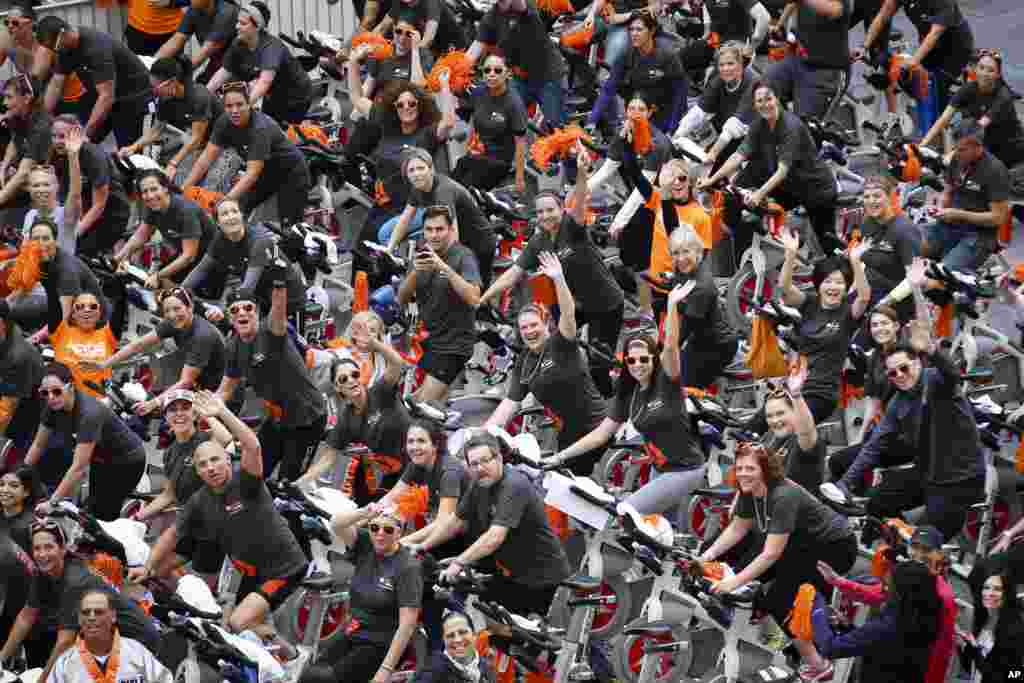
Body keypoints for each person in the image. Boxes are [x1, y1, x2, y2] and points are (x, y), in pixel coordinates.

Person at [130, 391, 308, 667]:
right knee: (237, 625)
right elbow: (173, 532)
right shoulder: (199, 500)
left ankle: (292, 662)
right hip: (249, 571)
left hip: (283, 568)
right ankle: (281, 658)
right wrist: (149, 565)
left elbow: (253, 446)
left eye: (215, 461)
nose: (210, 467)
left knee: (237, 622)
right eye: (203, 465)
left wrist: (222, 412)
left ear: (227, 460)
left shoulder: (246, 483)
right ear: (198, 471)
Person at [699, 444, 857, 683]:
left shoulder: (783, 495)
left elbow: (771, 554)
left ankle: (819, 665)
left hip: (835, 546)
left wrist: (734, 582)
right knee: (746, 575)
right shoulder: (748, 489)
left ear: (765, 469)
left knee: (778, 598)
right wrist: (705, 557)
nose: (742, 473)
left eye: (750, 468)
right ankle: (771, 630)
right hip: (800, 541)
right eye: (739, 467)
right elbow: (737, 528)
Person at [555, 283, 707, 528]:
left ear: (653, 360)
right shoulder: (629, 393)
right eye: (631, 360)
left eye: (644, 359)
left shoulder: (667, 382)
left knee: (623, 515)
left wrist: (671, 305)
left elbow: (670, 346)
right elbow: (600, 434)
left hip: (685, 470)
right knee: (661, 532)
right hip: (662, 469)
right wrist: (559, 457)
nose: (637, 365)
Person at [480, 146, 625, 396]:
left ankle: (609, 406)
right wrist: (483, 298)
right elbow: (513, 273)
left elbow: (580, 200)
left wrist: (581, 172)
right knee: (549, 341)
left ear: (561, 210)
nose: (545, 215)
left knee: (599, 363)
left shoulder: (573, 227)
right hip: (574, 305)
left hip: (606, 304)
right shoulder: (539, 241)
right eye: (540, 212)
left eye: (550, 210)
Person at [832, 312, 986, 542]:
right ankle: (901, 540)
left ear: (917, 362)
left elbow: (952, 374)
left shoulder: (935, 380)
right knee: (878, 501)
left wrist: (932, 351)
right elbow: (874, 446)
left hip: (960, 479)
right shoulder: (898, 402)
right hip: (927, 473)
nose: (900, 376)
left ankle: (916, 548)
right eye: (892, 373)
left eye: (904, 368)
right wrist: (845, 484)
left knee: (926, 540)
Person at [420, 430, 572, 618]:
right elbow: (454, 523)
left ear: (499, 458)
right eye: (474, 464)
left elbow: (494, 537)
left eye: (486, 460)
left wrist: (459, 562)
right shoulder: (479, 484)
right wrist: (422, 547)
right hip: (512, 572)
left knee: (504, 632)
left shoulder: (514, 485)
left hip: (540, 579)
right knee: (482, 619)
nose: (480, 468)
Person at [484, 249, 608, 477]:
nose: (529, 331)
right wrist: (484, 434)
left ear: (545, 326)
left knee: (570, 489)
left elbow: (568, 314)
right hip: (567, 433)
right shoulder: (524, 360)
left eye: (534, 325)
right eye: (524, 328)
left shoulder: (561, 344)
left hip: (595, 426)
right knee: (559, 490)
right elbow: (510, 404)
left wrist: (558, 278)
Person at [697, 81, 845, 260]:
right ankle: (781, 257)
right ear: (754, 104)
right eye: (759, 101)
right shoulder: (759, 124)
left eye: (768, 99)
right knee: (749, 209)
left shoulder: (790, 127)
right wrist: (711, 180)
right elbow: (738, 156)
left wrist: (759, 194)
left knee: (828, 245)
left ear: (777, 99)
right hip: (789, 187)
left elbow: (782, 171)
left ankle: (848, 269)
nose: (764, 104)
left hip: (815, 189)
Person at [0, 521, 161, 675]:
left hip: (136, 639)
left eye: (49, 547)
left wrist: (44, 679)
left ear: (63, 549)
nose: (42, 554)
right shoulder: (44, 571)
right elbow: (26, 617)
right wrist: (1, 659)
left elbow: (65, 642)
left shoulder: (75, 581)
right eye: (37, 548)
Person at [216, 281, 327, 482]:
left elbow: (278, 311)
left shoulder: (271, 330)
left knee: (288, 484)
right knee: (253, 473)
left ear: (257, 311)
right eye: (235, 310)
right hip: (277, 418)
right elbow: (225, 389)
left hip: (307, 418)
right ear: (230, 317)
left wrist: (279, 285)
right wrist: (207, 408)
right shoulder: (233, 347)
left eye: (248, 307)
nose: (242, 313)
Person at [300, 505, 421, 683]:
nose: (380, 534)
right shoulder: (367, 544)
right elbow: (336, 524)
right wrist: (365, 513)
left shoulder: (407, 567)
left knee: (328, 679)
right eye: (374, 528)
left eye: (388, 530)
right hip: (353, 630)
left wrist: (385, 671)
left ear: (399, 533)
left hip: (380, 642)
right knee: (310, 675)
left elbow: (407, 627)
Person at [379, 420, 469, 647]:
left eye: (421, 441)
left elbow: (444, 522)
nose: (414, 447)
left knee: (439, 603)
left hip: (462, 543)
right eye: (410, 441)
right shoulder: (417, 463)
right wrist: (364, 519)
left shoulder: (449, 471)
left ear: (436, 444)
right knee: (426, 600)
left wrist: (402, 541)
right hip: (441, 535)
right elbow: (389, 499)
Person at [25, 363, 147, 521]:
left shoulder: (89, 413)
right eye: (44, 393)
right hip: (101, 458)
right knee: (89, 509)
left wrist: (52, 503)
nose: (51, 397)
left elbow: (78, 467)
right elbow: (38, 445)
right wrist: (19, 476)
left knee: (102, 515)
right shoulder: (52, 405)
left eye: (57, 391)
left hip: (127, 461)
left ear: (71, 386)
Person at [131, 390, 231, 581]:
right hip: (189, 522)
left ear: (194, 413)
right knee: (156, 573)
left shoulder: (206, 439)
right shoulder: (170, 453)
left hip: (213, 526)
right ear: (165, 416)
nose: (179, 413)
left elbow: (225, 439)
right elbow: (169, 495)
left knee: (204, 584)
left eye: (185, 408)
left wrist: (207, 413)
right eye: (173, 410)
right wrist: (137, 517)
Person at [773, 232, 870, 425]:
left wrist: (856, 262)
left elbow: (864, 297)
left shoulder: (848, 313)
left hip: (823, 393)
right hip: (796, 385)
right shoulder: (809, 303)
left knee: (791, 425)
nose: (833, 287)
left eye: (839, 282)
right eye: (827, 281)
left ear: (846, 287)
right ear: (818, 285)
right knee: (756, 426)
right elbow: (784, 287)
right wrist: (790, 254)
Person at [297, 338, 409, 504]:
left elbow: (397, 363)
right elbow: (327, 459)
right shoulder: (346, 418)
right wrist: (300, 483)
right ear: (337, 387)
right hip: (393, 471)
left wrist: (375, 344)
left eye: (354, 374)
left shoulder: (379, 391)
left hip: (416, 458)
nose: (351, 380)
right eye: (343, 379)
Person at [182, 84, 312, 227]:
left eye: (239, 105)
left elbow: (251, 174)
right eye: (229, 106)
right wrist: (184, 189)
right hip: (266, 172)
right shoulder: (224, 122)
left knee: (290, 229)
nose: (234, 111)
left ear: (249, 104)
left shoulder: (259, 129)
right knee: (239, 210)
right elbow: (205, 159)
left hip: (291, 173)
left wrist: (224, 202)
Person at [87, 287, 226, 412]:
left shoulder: (202, 336)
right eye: (167, 311)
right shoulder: (174, 322)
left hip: (218, 388)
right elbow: (138, 345)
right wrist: (103, 364)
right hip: (195, 374)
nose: (172, 315)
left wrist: (154, 403)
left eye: (177, 309)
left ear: (190, 307)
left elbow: (186, 382)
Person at [349, 81, 454, 245]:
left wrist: (446, 87)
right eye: (401, 104)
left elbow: (448, 123)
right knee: (362, 250)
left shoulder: (427, 134)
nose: (406, 107)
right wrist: (353, 60)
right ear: (394, 108)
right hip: (384, 203)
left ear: (420, 107)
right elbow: (356, 97)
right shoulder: (387, 128)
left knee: (382, 243)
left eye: (412, 103)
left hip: (413, 206)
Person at [396, 205, 482, 402]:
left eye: (439, 229)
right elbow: (401, 299)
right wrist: (415, 273)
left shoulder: (463, 256)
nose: (434, 235)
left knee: (420, 405)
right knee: (429, 407)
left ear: (451, 230)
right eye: (429, 230)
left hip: (454, 345)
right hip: (429, 342)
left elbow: (474, 298)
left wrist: (444, 267)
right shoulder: (421, 254)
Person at [811, 560, 943, 683]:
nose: (883, 591)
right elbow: (879, 645)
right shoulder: (923, 619)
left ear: (901, 594)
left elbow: (829, 648)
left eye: (888, 587)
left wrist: (817, 605)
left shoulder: (887, 626)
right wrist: (847, 626)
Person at [183, 198, 307, 323]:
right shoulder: (220, 240)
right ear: (217, 223)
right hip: (263, 301)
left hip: (289, 301)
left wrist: (221, 310)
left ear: (241, 216)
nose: (231, 217)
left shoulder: (259, 241)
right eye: (225, 214)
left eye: (234, 211)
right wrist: (180, 293)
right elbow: (201, 269)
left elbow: (247, 288)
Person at [34, 17, 153, 147]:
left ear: (63, 33)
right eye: (50, 48)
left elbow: (106, 97)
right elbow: (56, 83)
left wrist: (86, 134)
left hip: (132, 99)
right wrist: (43, 116)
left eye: (54, 46)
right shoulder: (64, 48)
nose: (55, 51)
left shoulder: (96, 49)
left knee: (128, 153)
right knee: (78, 141)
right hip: (103, 95)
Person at [384, 149, 496, 287]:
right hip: (461, 240)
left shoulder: (443, 192)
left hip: (478, 243)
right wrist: (389, 249)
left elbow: (452, 235)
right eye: (411, 170)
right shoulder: (418, 189)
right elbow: (405, 220)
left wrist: (442, 264)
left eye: (421, 168)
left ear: (431, 169)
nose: (416, 174)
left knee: (475, 298)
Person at [861, 0, 974, 122]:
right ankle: (920, 116)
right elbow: (882, 17)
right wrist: (864, 47)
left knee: (936, 91)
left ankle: (952, 121)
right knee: (914, 84)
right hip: (930, 46)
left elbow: (935, 33)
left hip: (956, 49)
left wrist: (914, 61)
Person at [923, 118, 1011, 273]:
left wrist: (959, 214)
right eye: (956, 148)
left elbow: (998, 218)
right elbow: (948, 190)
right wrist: (941, 208)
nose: (957, 153)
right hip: (950, 224)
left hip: (978, 236)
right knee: (912, 249)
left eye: (962, 149)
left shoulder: (995, 171)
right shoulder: (957, 159)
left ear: (978, 147)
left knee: (938, 278)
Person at [207, 1, 314, 127]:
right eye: (237, 22)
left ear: (257, 26)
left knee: (278, 135)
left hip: (296, 97)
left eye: (243, 23)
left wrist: (241, 108)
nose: (237, 26)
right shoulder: (239, 43)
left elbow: (264, 83)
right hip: (273, 94)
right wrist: (204, 95)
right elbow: (223, 73)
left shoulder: (271, 47)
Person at [465, 0, 568, 129]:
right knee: (500, 119)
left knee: (557, 130)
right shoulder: (491, 17)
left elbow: (521, 6)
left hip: (549, 77)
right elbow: (476, 47)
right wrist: (457, 69)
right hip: (520, 80)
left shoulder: (525, 7)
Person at [119, 56, 225, 181]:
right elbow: (156, 130)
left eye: (156, 88)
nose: (154, 92)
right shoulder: (165, 100)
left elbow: (196, 138)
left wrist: (174, 163)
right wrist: (133, 147)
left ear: (172, 82)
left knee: (180, 177)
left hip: (222, 142)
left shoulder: (198, 97)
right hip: (198, 142)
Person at [114, 170, 216, 288]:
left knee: (162, 282)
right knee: (155, 282)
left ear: (165, 188)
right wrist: (117, 259)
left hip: (210, 258)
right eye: (145, 192)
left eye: (154, 189)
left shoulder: (185, 211)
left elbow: (189, 256)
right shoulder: (152, 207)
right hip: (187, 255)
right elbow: (140, 236)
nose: (150, 196)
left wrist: (158, 276)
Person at [46, 589, 173, 683]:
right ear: (79, 619)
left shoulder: (137, 652)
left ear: (113, 616)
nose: (91, 617)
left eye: (99, 612)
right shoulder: (64, 664)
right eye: (86, 612)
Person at [589, 12, 686, 134]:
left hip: (663, 113)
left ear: (651, 31)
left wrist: (672, 129)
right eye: (631, 29)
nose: (634, 33)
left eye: (639, 29)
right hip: (636, 110)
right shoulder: (626, 54)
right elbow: (609, 88)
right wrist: (592, 120)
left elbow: (680, 95)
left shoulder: (668, 56)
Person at [49, 116, 132, 257]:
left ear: (78, 134)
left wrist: (72, 235)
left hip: (110, 215)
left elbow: (99, 206)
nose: (57, 142)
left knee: (76, 253)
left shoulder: (93, 156)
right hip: (83, 210)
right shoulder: (58, 154)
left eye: (63, 136)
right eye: (54, 136)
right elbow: (63, 196)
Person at [673, 43, 758, 174]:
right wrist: (678, 134)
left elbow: (734, 126)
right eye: (721, 65)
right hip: (725, 134)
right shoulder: (718, 79)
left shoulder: (753, 82)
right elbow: (699, 112)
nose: (725, 69)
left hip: (754, 138)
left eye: (730, 64)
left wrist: (713, 153)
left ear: (741, 64)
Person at [452, 53, 528, 193]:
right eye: (487, 70)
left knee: (464, 189)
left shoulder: (514, 103)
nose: (491, 74)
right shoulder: (478, 92)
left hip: (499, 161)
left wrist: (519, 178)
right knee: (454, 177)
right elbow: (469, 120)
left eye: (497, 70)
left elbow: (520, 143)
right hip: (478, 154)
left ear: (507, 74)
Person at [1, 5, 90, 124]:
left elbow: (34, 82)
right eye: (7, 23)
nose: (10, 27)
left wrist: (12, 111)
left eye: (15, 23)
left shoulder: (43, 44)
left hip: (70, 99)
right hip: (47, 97)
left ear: (30, 24)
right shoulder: (10, 45)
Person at [765, 0, 851, 119]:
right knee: (762, 89)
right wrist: (779, 25)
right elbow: (793, 3)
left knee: (802, 127)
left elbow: (834, 10)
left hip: (825, 71)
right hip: (797, 61)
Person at [40, 274, 117, 398]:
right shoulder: (61, 331)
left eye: (92, 306)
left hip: (97, 403)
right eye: (80, 306)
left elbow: (119, 306)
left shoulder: (107, 335)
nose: (86, 310)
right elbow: (53, 299)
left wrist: (119, 288)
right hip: (64, 400)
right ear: (73, 314)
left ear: (99, 314)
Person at [858, 175, 923, 316]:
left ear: (889, 197)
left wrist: (885, 303)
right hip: (867, 288)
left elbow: (915, 277)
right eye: (866, 197)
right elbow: (863, 260)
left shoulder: (905, 230)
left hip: (894, 299)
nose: (871, 201)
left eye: (877, 196)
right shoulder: (867, 222)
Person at [960, 570, 1024, 682]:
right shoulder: (985, 619)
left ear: (1006, 594)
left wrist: (975, 651)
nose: (989, 593)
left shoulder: (1014, 629)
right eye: (986, 587)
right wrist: (963, 645)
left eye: (997, 589)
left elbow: (1012, 675)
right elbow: (973, 666)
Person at [153, 0, 240, 81]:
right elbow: (176, 40)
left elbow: (206, 51)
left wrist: (175, 74)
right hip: (216, 63)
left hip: (235, 67)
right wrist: (153, 63)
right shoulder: (194, 8)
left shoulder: (227, 12)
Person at [0, 75, 52, 211]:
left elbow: (23, 174)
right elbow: (14, 142)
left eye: (9, 97)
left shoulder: (41, 127)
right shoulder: (18, 115)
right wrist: (4, 166)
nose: (4, 103)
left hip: (50, 184)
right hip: (27, 176)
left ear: (27, 98)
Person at [680, 0, 770, 77]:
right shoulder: (707, 3)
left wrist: (751, 47)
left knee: (720, 73)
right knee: (677, 60)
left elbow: (764, 17)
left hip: (738, 44)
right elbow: (708, 30)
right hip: (716, 42)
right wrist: (699, 43)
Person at [0, 309, 44, 464]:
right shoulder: (8, 332)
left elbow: (6, 410)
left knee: (14, 460)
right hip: (12, 391)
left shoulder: (17, 356)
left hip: (26, 408)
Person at [347, 18, 432, 95]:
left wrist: (415, 50)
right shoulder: (381, 50)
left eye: (408, 34)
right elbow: (367, 89)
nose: (402, 39)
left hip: (407, 107)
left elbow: (418, 87)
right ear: (393, 29)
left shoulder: (423, 55)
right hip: (382, 107)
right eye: (398, 32)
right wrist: (354, 63)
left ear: (416, 36)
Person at [414, 611, 497, 683]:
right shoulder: (433, 671)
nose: (457, 640)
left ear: (474, 635)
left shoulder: (487, 666)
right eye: (450, 635)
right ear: (444, 641)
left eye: (462, 632)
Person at [0, 466, 40, 552]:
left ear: (26, 492)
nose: (5, 490)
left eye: (13, 486)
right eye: (1, 484)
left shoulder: (31, 525)